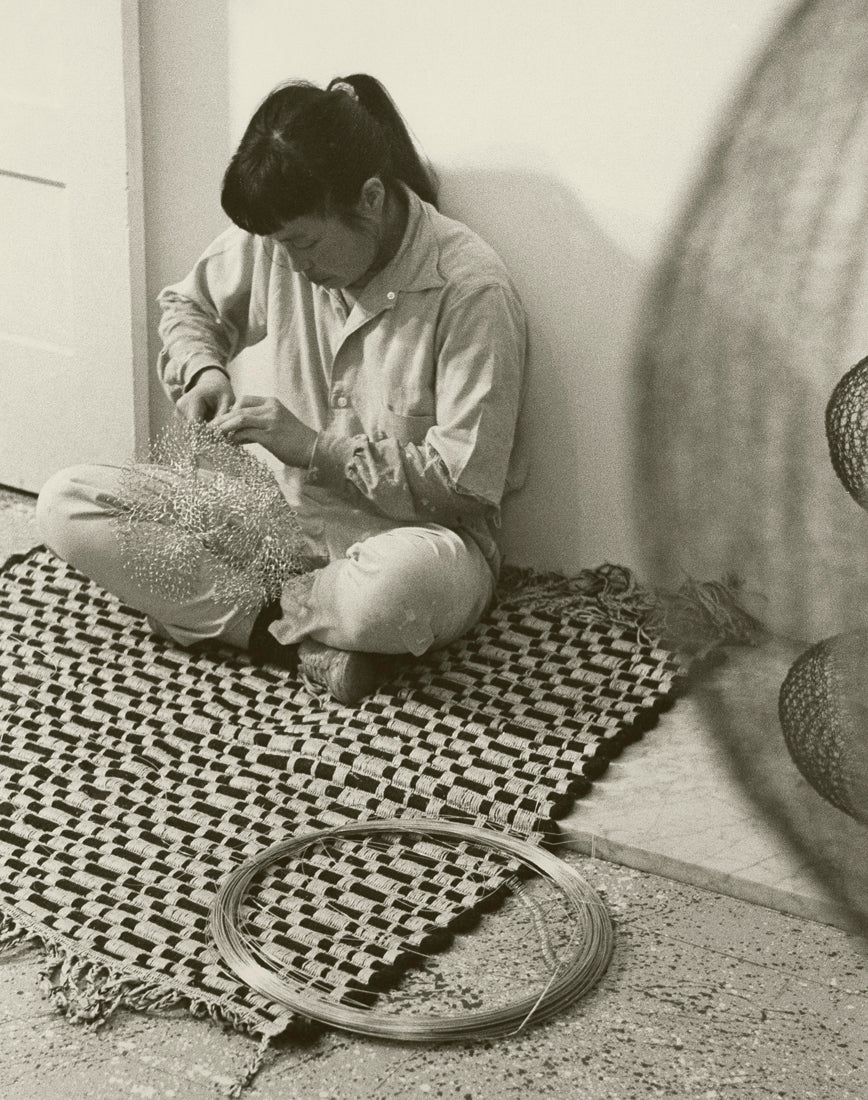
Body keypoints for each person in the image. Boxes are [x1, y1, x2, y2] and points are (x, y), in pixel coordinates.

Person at [37, 74, 527, 705]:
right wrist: (204, 371)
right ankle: (293, 637)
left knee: (398, 592)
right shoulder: (283, 236)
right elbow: (188, 308)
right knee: (67, 503)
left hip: (421, 544)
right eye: (279, 246)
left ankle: (247, 613)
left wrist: (316, 447)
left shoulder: (472, 292)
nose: (292, 267)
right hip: (281, 524)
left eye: (304, 245)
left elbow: (462, 488)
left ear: (371, 199)